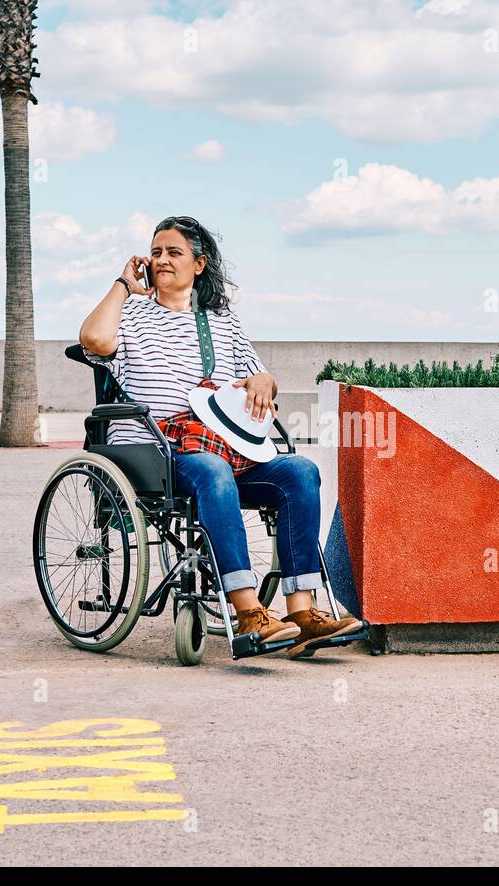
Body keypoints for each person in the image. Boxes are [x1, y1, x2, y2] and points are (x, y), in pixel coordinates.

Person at [78, 215, 362, 658]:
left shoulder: (221, 324)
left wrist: (266, 381)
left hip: (225, 447)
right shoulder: (130, 317)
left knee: (300, 472)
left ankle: (303, 613)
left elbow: (258, 376)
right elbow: (93, 339)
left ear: (199, 264)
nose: (162, 260)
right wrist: (121, 283)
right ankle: (250, 612)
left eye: (174, 253)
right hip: (159, 448)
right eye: (156, 252)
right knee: (213, 472)